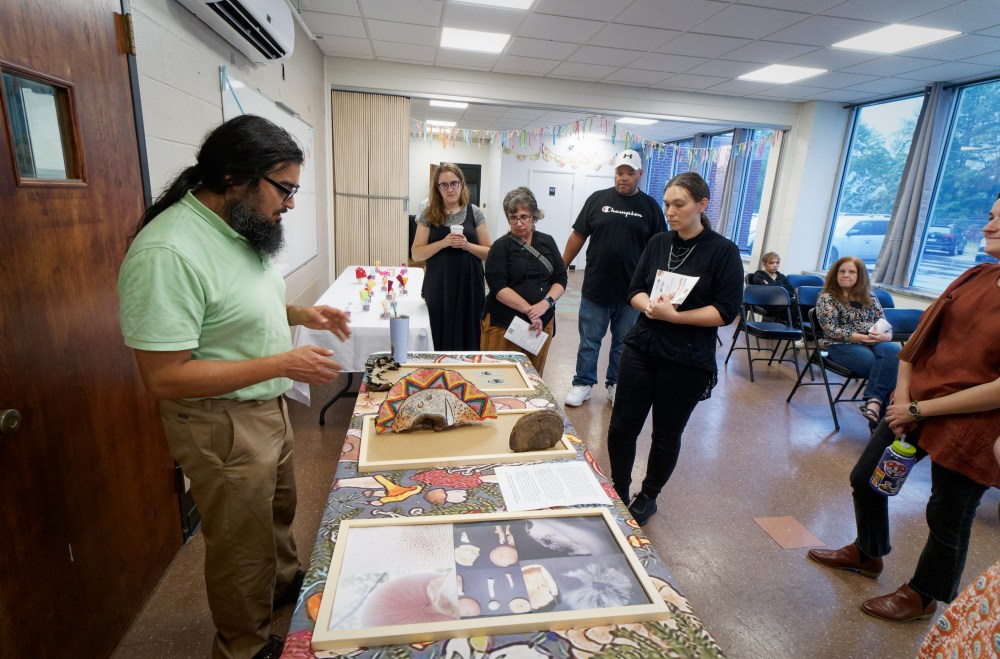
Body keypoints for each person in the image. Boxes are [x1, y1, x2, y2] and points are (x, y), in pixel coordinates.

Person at [117, 115, 352, 659]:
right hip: (218, 421)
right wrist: (283, 362)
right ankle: (242, 647)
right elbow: (164, 376)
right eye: (285, 189)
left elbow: (228, 307)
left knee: (276, 513)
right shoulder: (168, 251)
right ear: (234, 177)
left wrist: (299, 312)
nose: (290, 204)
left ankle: (283, 587)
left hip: (264, 404)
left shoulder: (238, 226)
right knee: (241, 546)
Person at [808, 194, 1000, 623]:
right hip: (914, 404)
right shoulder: (976, 277)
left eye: (997, 221)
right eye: (990, 217)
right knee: (867, 479)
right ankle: (868, 551)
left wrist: (919, 410)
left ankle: (923, 595)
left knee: (948, 514)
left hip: (972, 422)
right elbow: (918, 339)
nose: (987, 227)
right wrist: (903, 395)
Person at [607, 172, 743, 525]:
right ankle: (619, 489)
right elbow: (634, 288)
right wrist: (648, 307)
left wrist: (676, 317)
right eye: (667, 203)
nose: (670, 211)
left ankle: (648, 496)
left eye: (679, 204)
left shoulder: (723, 251)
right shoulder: (658, 243)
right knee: (622, 427)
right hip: (643, 346)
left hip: (686, 358)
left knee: (666, 435)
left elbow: (725, 312)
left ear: (701, 205)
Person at [561, 149, 666, 407]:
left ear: (640, 174)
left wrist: (658, 283)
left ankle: (616, 384)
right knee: (589, 341)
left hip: (633, 293)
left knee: (624, 343)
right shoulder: (597, 199)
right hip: (596, 287)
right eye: (620, 172)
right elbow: (578, 235)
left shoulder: (650, 207)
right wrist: (561, 265)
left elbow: (660, 248)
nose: (624, 178)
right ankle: (583, 383)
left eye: (630, 173)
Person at [481, 186, 568, 375]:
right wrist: (531, 311)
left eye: (524, 216)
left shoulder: (547, 242)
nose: (519, 223)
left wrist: (545, 304)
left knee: (532, 379)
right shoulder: (500, 247)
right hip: (503, 324)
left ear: (534, 216)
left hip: (541, 324)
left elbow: (560, 278)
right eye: (513, 217)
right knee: (497, 376)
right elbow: (498, 286)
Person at [412, 163, 492, 350]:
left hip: (470, 286)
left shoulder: (475, 212)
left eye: (454, 183)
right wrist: (443, 242)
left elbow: (489, 251)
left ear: (462, 184)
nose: (450, 189)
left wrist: (466, 245)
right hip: (439, 285)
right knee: (439, 331)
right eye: (444, 185)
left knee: (468, 333)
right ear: (437, 188)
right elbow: (416, 254)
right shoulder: (428, 214)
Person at [815, 256, 900, 425]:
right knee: (883, 368)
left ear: (860, 275)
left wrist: (886, 336)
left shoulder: (870, 296)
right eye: (842, 271)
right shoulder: (827, 297)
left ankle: (874, 402)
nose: (846, 275)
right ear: (835, 274)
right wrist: (864, 338)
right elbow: (831, 330)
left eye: (852, 272)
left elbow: (884, 323)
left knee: (895, 352)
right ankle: (881, 426)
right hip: (841, 344)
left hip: (874, 341)